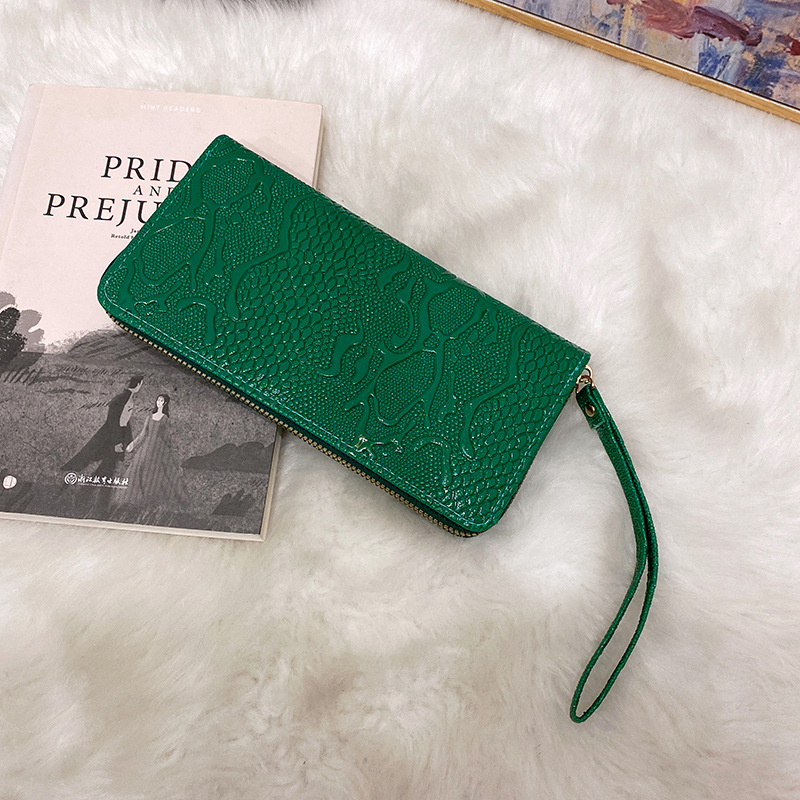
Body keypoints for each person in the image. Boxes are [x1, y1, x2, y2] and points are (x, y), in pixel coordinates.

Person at [120, 393, 188, 508]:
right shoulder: (149, 417)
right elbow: (143, 434)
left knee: (158, 471)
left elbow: (167, 437)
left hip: (159, 447)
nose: (158, 402)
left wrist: (168, 450)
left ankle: (154, 498)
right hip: (147, 445)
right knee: (138, 466)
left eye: (161, 401)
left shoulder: (165, 419)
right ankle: (136, 498)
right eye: (158, 400)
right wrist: (132, 444)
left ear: (165, 403)